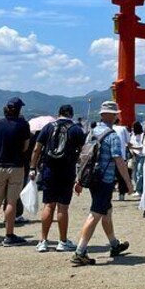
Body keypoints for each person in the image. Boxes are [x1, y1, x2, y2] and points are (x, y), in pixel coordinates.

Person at [71, 101, 133, 266]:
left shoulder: (91, 132)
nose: (116, 116)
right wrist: (128, 181)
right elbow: (119, 160)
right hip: (105, 179)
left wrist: (79, 179)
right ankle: (80, 251)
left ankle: (114, 244)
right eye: (115, 114)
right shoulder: (112, 135)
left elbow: (85, 157)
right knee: (96, 213)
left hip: (92, 178)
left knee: (106, 211)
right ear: (110, 115)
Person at [30, 104, 86, 252]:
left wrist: (32, 168)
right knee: (63, 207)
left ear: (58, 113)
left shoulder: (48, 127)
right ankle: (62, 241)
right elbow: (84, 154)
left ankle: (43, 241)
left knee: (48, 205)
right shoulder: (76, 130)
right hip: (67, 171)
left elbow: (37, 149)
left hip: (49, 170)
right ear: (71, 115)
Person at [0, 97, 31, 247]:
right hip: (16, 165)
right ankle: (9, 235)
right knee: (11, 201)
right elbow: (25, 146)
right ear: (19, 109)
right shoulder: (23, 125)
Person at [112, 118, 131, 201]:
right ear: (119, 122)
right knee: (122, 176)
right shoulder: (123, 129)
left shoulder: (109, 128)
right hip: (121, 156)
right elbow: (128, 141)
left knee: (110, 176)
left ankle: (109, 193)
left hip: (110, 157)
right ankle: (121, 194)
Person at [129, 121, 145, 196]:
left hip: (141, 156)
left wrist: (133, 147)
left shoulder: (142, 135)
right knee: (134, 174)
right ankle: (138, 188)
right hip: (134, 155)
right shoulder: (132, 135)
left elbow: (142, 147)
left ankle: (139, 190)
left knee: (140, 173)